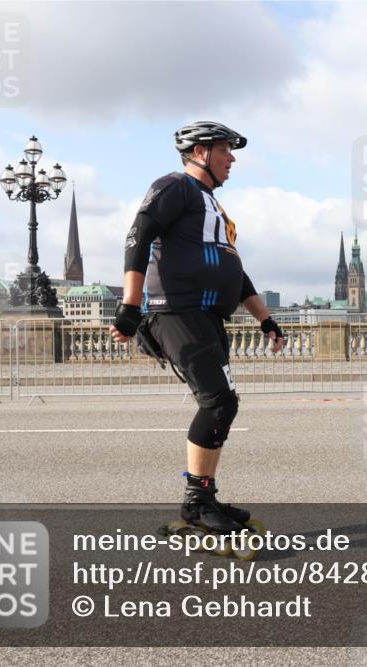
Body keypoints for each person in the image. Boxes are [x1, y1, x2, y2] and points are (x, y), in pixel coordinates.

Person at [110, 121, 286, 535]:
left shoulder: (213, 208)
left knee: (223, 403)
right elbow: (137, 237)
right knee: (218, 402)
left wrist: (266, 319)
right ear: (201, 152)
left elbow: (236, 273)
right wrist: (130, 305)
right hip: (178, 312)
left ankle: (202, 496)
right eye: (226, 149)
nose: (233, 158)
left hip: (206, 316)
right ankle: (197, 502)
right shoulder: (175, 186)